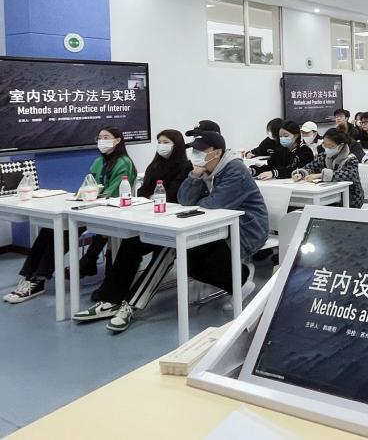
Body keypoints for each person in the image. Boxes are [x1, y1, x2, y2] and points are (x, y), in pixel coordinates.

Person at [73, 131, 267, 331]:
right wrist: (194, 176)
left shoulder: (234, 169)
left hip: (245, 229)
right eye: (195, 149)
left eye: (202, 150)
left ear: (217, 152)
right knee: (133, 243)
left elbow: (213, 204)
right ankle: (109, 299)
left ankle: (130, 306)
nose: (196, 154)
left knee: (170, 247)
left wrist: (198, 200)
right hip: (207, 225)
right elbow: (185, 200)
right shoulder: (201, 169)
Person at [70, 130, 194, 329]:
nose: (161, 145)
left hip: (173, 226)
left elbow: (173, 195)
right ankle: (109, 300)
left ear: (177, 145)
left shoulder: (186, 166)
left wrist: (154, 196)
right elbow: (143, 191)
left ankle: (130, 306)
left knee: (163, 253)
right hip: (150, 220)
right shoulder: (155, 165)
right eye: (159, 141)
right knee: (129, 246)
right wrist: (153, 197)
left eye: (166, 142)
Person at [4, 127, 138, 304]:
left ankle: (39, 278)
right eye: (99, 137)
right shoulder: (98, 161)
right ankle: (28, 277)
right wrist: (82, 196)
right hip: (88, 207)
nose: (102, 141)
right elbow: (88, 185)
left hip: (107, 211)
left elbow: (113, 193)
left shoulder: (124, 162)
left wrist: (90, 196)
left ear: (118, 140)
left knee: (64, 232)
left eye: (106, 137)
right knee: (49, 230)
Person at [293, 129, 364, 208]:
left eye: (330, 146)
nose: (327, 148)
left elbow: (349, 175)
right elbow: (311, 166)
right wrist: (301, 173)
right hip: (329, 195)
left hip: (351, 197)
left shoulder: (351, 159)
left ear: (340, 146)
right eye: (324, 144)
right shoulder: (324, 156)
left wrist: (320, 175)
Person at [248, 120, 317, 181]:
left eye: (286, 136)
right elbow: (271, 166)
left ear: (296, 135)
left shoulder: (305, 151)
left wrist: (274, 173)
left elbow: (295, 170)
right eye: (280, 136)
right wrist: (254, 170)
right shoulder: (280, 149)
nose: (282, 138)